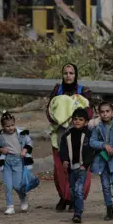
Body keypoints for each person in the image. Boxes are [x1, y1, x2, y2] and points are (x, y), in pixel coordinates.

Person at [47, 63, 94, 211]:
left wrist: (76, 118)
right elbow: (49, 110)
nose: (68, 76)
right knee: (61, 168)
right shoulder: (57, 90)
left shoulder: (83, 91)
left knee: (78, 167)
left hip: (79, 136)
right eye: (65, 73)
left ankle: (76, 198)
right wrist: (58, 118)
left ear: (76, 75)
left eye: (71, 73)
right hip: (61, 134)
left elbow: (89, 112)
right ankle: (64, 197)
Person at [59, 108, 95, 224]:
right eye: (75, 119)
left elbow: (91, 151)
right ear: (72, 121)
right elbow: (63, 150)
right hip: (71, 168)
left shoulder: (89, 135)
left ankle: (77, 214)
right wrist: (64, 160)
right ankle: (75, 206)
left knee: (79, 189)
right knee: (73, 190)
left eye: (80, 119)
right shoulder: (67, 135)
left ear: (86, 122)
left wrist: (86, 164)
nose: (77, 121)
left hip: (82, 167)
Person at [0, 111, 34, 215]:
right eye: (7, 126)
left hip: (18, 161)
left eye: (12, 125)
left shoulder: (21, 134)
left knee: (17, 185)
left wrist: (25, 150)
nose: (10, 128)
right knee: (8, 185)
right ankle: (10, 206)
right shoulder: (1, 136)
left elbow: (29, 142)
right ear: (3, 126)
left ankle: (23, 198)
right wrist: (1, 149)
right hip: (7, 162)